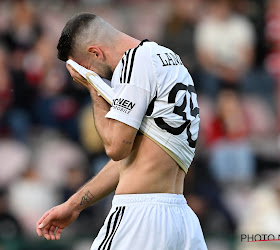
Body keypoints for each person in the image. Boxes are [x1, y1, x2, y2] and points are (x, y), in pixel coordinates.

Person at [36, 13, 207, 250]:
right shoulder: (168, 59)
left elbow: (116, 148)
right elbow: (133, 159)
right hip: (181, 220)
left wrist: (92, 86)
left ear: (95, 52)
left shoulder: (134, 62)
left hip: (139, 219)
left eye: (86, 66)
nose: (92, 74)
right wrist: (74, 205)